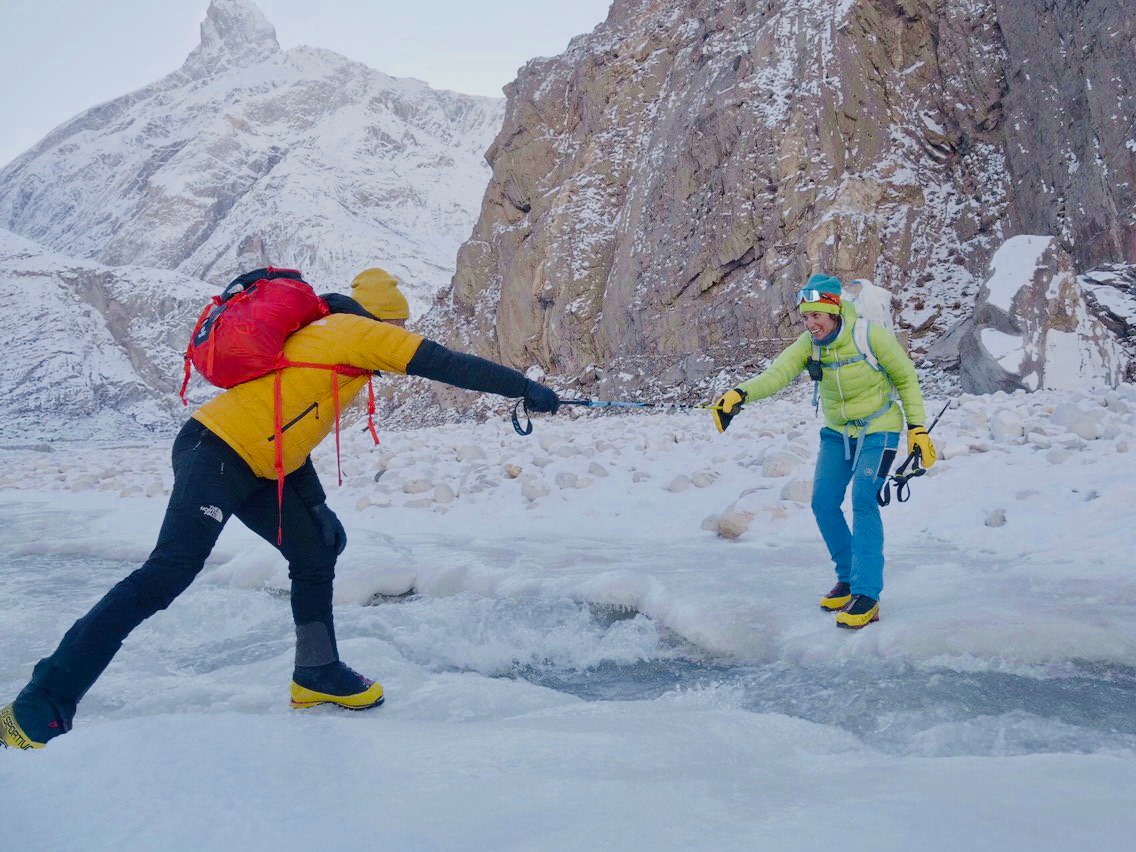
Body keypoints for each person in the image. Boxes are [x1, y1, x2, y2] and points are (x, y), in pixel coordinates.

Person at [1, 267, 559, 749]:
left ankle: (316, 671)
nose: (400, 337)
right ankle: (40, 701)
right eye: (398, 327)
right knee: (166, 574)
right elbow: (443, 363)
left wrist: (315, 507)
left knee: (316, 548)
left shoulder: (327, 340)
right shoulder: (354, 332)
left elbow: (287, 430)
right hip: (215, 452)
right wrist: (522, 386)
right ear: (384, 319)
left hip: (262, 463)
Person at [709, 273, 935, 629]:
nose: (810, 323)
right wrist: (739, 394)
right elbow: (778, 373)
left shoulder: (869, 335)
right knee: (823, 502)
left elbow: (906, 378)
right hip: (837, 433)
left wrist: (917, 429)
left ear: (833, 311)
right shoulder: (809, 344)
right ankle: (847, 579)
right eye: (805, 316)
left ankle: (867, 595)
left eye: (816, 315)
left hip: (880, 429)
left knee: (863, 499)